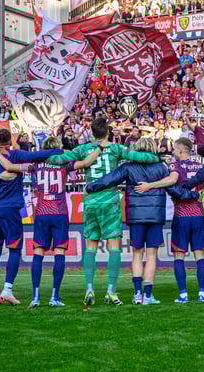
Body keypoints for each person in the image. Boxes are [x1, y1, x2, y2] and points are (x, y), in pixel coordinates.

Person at [46, 117, 161, 306]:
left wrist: (48, 154)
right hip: (110, 200)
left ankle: (90, 288)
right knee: (114, 247)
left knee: (90, 247)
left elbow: (56, 159)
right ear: (108, 132)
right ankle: (111, 292)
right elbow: (143, 157)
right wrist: (156, 157)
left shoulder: (83, 149)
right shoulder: (116, 149)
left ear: (92, 133)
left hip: (90, 201)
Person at [86, 137, 199, 305]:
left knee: (137, 254)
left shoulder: (129, 167)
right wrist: (193, 195)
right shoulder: (161, 167)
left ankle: (137, 294)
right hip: (155, 216)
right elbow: (173, 188)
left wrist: (91, 186)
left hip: (136, 216)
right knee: (151, 255)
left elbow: (110, 179)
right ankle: (148, 295)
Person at [0, 130, 65, 305]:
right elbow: (39, 154)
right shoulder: (16, 155)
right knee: (14, 249)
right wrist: (58, 151)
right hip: (10, 209)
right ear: (10, 141)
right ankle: (7, 289)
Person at [135, 138, 204, 303]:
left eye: (174, 150)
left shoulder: (175, 166)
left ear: (180, 151)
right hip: (198, 215)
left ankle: (183, 295)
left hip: (182, 216)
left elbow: (172, 181)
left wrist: (150, 185)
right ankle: (202, 294)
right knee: (200, 255)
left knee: (179, 255)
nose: (172, 153)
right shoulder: (199, 166)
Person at [26, 137, 97, 307]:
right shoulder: (63, 163)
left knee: (38, 252)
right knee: (59, 252)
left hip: (42, 212)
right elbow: (86, 162)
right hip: (59, 212)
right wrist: (100, 148)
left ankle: (35, 296)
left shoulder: (35, 165)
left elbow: (13, 166)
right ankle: (54, 296)